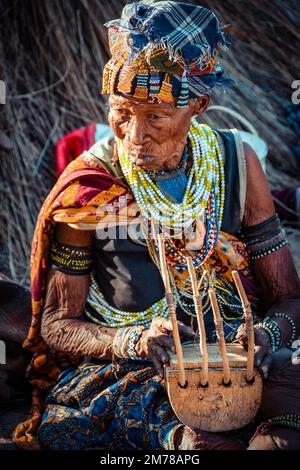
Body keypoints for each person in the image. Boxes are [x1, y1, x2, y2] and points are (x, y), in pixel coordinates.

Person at [13, 1, 300, 450]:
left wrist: (267, 333)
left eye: (155, 117)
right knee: (206, 446)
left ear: (198, 106)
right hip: (135, 368)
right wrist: (135, 340)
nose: (133, 135)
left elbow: (288, 297)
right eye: (121, 112)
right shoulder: (92, 185)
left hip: (239, 360)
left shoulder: (237, 166)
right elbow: (57, 324)